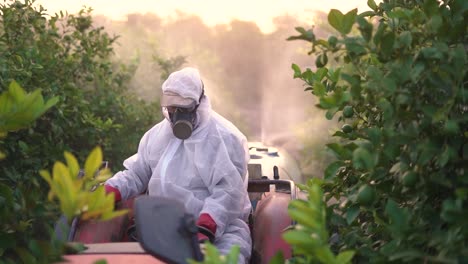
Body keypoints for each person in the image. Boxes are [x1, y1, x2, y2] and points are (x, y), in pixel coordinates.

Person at [104, 67, 252, 263]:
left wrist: (206, 226)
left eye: (183, 109)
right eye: (172, 108)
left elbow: (229, 192)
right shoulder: (156, 135)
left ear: (198, 104)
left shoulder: (224, 138)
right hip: (160, 228)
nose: (175, 115)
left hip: (218, 233)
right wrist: (110, 190)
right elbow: (137, 173)